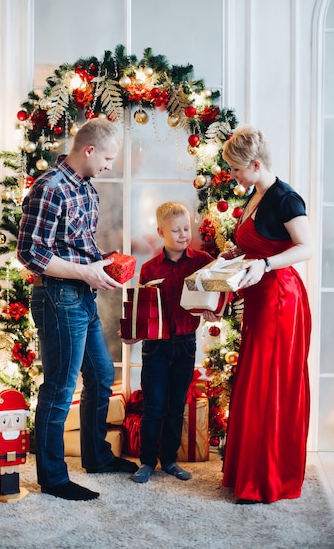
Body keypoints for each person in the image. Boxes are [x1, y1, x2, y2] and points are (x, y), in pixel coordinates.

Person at [17, 118, 138, 501]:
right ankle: (53, 479)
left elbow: (77, 249)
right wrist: (85, 271)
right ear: (89, 150)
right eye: (107, 157)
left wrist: (104, 264)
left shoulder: (86, 189)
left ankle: (97, 457)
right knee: (59, 387)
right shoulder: (49, 188)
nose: (109, 165)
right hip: (57, 297)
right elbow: (30, 253)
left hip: (81, 295)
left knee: (101, 376)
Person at [220, 124, 313, 504]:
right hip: (261, 298)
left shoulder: (286, 198)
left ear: (255, 164)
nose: (232, 176)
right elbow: (255, 247)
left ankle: (265, 479)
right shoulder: (256, 194)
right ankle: (251, 472)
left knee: (269, 384)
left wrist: (267, 264)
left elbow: (306, 247)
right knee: (256, 381)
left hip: (280, 300)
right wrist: (232, 259)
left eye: (236, 169)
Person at [128, 201, 215, 483]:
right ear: (161, 232)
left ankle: (169, 460)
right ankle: (146, 462)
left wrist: (214, 308)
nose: (182, 235)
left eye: (186, 229)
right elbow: (143, 308)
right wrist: (133, 331)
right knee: (154, 407)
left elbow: (218, 289)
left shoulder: (202, 262)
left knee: (177, 405)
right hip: (155, 347)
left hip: (186, 344)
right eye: (175, 230)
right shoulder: (150, 268)